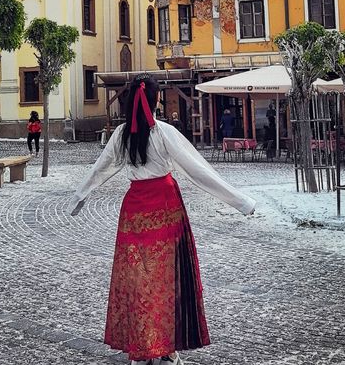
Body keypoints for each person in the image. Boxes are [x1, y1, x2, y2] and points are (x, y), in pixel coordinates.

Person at [68, 74, 255, 365]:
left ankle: (143, 346)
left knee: (138, 278)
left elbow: (100, 169)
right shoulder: (164, 132)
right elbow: (197, 170)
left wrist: (80, 195)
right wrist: (240, 201)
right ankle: (165, 347)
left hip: (134, 210)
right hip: (165, 207)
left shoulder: (121, 135)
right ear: (156, 100)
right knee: (168, 279)